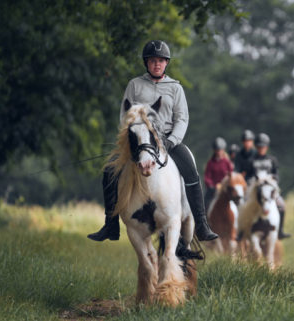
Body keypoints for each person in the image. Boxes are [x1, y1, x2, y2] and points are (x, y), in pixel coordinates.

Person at [88, 40, 218, 242]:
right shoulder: (134, 85)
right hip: (139, 141)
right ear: (146, 63)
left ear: (166, 63)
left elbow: (182, 118)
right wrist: (130, 140)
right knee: (109, 171)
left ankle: (201, 224)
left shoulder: (175, 88)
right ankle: (110, 225)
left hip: (167, 140)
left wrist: (172, 140)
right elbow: (125, 114)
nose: (156, 64)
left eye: (161, 60)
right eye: (152, 60)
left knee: (191, 170)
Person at [251, 133, 291, 239]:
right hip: (255, 190)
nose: (261, 149)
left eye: (263, 147)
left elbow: (277, 175)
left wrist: (272, 179)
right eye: (259, 147)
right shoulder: (252, 160)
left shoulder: (272, 160)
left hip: (270, 189)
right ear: (256, 147)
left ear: (266, 147)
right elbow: (249, 176)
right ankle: (243, 230)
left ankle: (280, 231)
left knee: (281, 205)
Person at [203, 136, 234, 208]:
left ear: (223, 150)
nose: (219, 152)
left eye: (220, 150)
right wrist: (212, 186)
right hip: (214, 189)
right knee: (206, 203)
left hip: (225, 189)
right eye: (217, 150)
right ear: (214, 150)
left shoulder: (227, 162)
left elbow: (231, 175)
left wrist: (224, 185)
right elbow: (207, 177)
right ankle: (204, 216)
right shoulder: (210, 163)